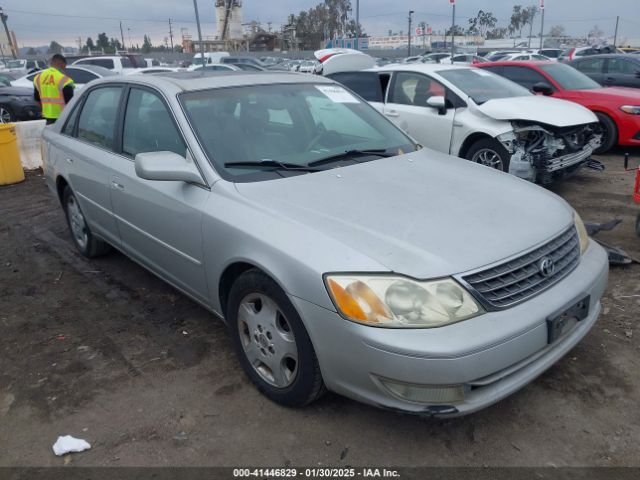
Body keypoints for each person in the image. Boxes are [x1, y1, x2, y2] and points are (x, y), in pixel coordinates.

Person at [33, 54, 74, 125]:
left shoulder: (38, 78)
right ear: (61, 63)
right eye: (65, 66)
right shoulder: (65, 80)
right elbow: (70, 102)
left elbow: (37, 99)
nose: (65, 69)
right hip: (63, 118)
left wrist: (46, 111)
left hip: (48, 117)